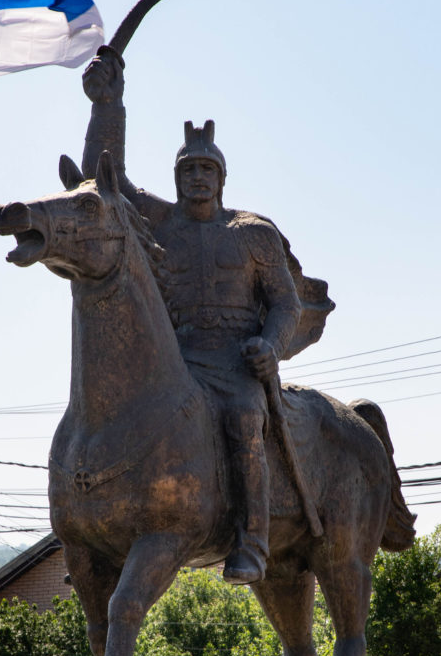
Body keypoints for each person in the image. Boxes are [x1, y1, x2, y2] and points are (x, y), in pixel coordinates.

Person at [81, 49, 330, 584]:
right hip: (180, 360)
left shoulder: (253, 231)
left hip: (239, 364)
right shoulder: (159, 221)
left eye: (206, 169)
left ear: (221, 178)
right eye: (188, 169)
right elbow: (105, 179)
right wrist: (108, 105)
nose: (197, 177)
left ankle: (253, 540)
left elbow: (285, 301)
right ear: (177, 178)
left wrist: (270, 343)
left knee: (244, 417)